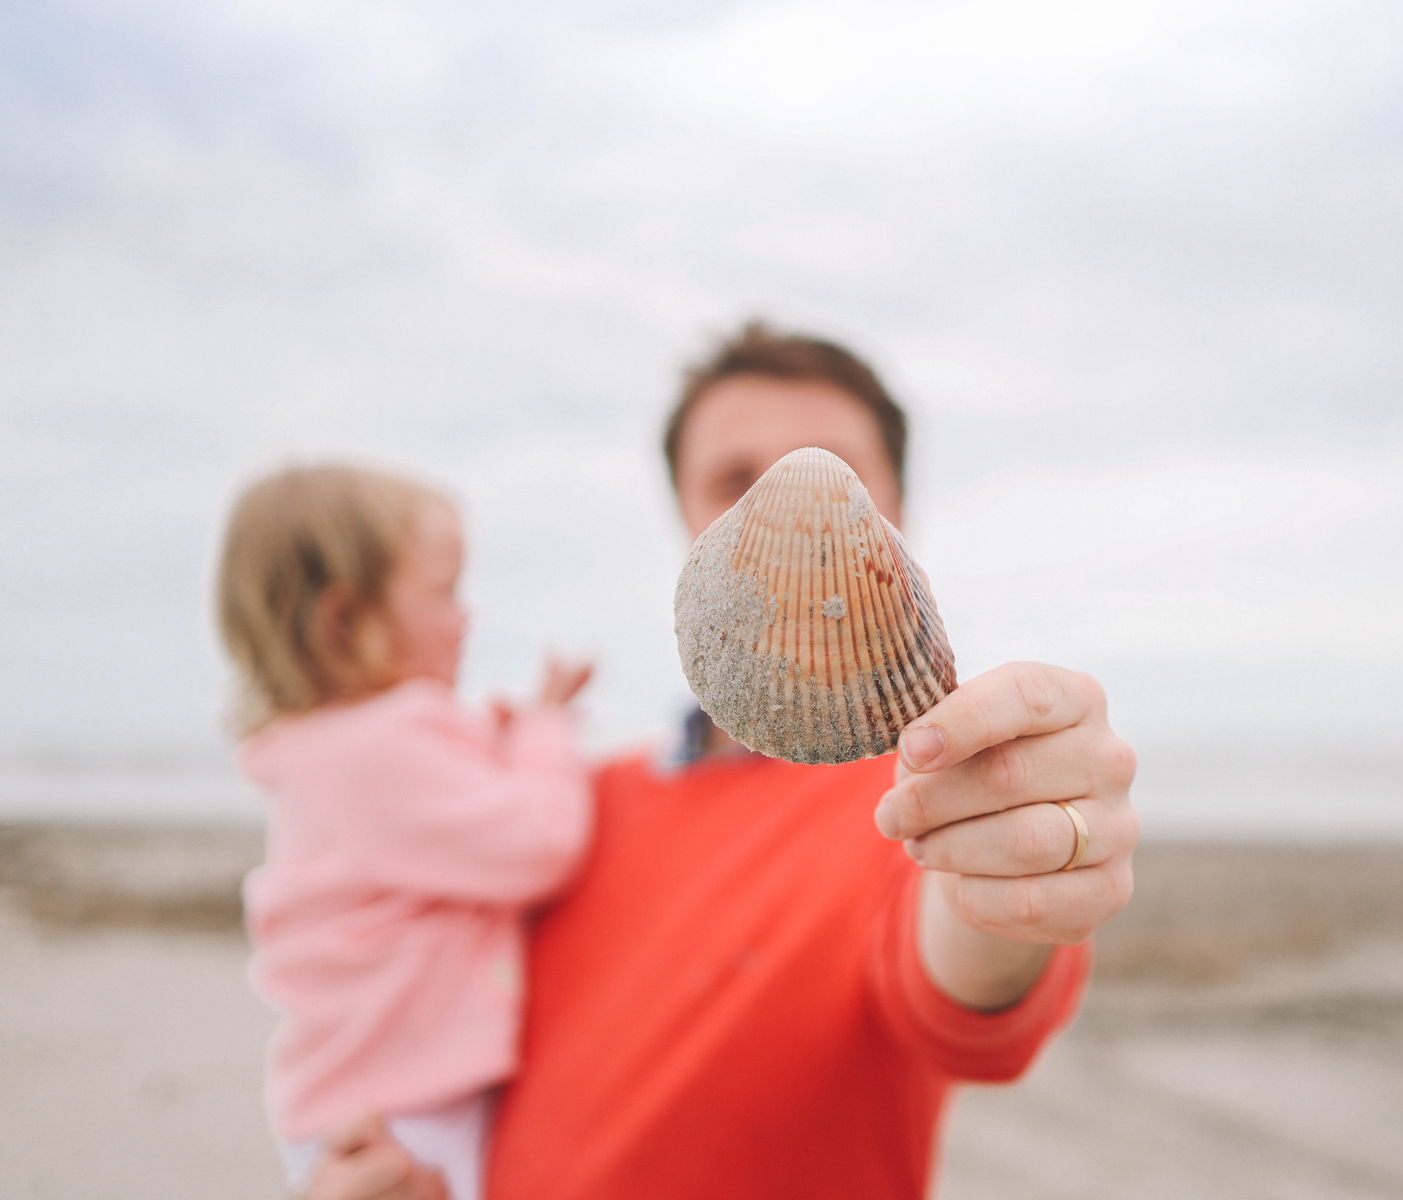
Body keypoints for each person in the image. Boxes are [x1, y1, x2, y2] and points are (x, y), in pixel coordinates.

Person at [309, 323, 1139, 1199]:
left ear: (899, 513)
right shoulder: (563, 811)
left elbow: (963, 985)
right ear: (689, 521)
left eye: (833, 462)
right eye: (731, 480)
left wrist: (1018, 861)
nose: (780, 494)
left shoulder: (930, 800)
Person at [217, 465, 596, 1200]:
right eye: (445, 592)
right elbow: (538, 844)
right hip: (406, 1103)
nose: (468, 615)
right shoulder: (376, 748)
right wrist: (549, 730)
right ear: (346, 620)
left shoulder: (330, 749)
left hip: (364, 1094)